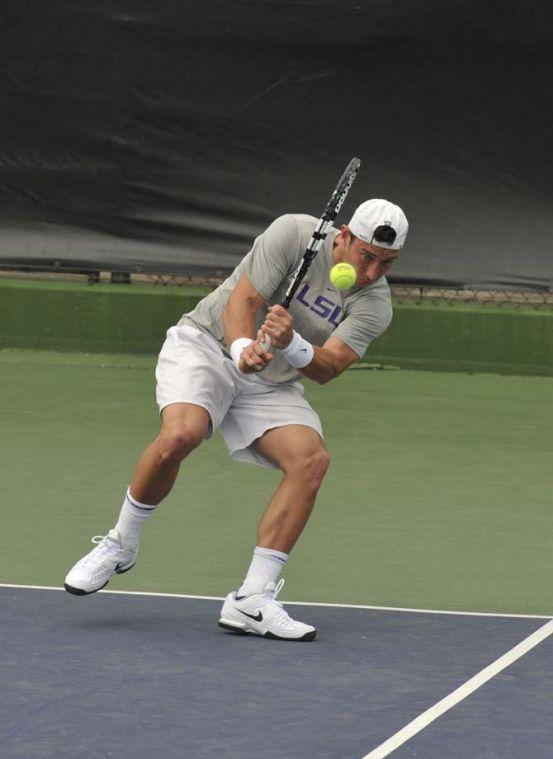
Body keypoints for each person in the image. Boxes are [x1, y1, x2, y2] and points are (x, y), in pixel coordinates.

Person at [64, 198, 409, 641]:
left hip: (272, 383)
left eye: (387, 263)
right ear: (343, 236)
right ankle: (121, 543)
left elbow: (329, 366)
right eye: (367, 256)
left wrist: (291, 344)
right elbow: (242, 301)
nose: (373, 272)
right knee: (181, 435)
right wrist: (243, 347)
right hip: (207, 344)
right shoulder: (294, 233)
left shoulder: (374, 303)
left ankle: (252, 599)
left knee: (311, 461)